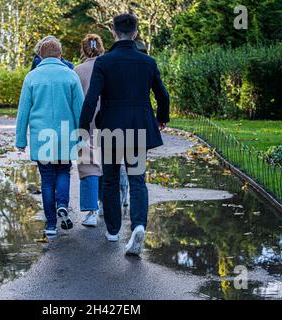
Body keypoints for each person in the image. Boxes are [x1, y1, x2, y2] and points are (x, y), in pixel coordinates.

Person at [79, 14, 170, 255]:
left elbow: (91, 99)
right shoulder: (147, 62)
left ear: (113, 33)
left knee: (109, 180)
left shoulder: (104, 62)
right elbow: (163, 95)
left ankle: (113, 230)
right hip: (139, 128)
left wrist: (83, 127)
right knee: (137, 180)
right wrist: (162, 118)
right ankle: (139, 225)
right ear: (136, 33)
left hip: (110, 129)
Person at [16, 39, 84, 236]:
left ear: (40, 56)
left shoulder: (31, 77)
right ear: (60, 54)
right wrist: (82, 138)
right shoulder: (71, 76)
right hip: (65, 135)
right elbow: (79, 110)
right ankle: (62, 204)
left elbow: (23, 112)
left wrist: (21, 141)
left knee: (47, 180)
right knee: (63, 171)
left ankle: (51, 225)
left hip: (42, 137)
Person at [74, 34, 105, 227]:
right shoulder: (109, 67)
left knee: (89, 166)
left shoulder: (78, 71)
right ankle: (104, 204)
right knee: (107, 164)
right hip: (108, 120)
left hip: (86, 122)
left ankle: (91, 212)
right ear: (101, 47)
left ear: (84, 50)